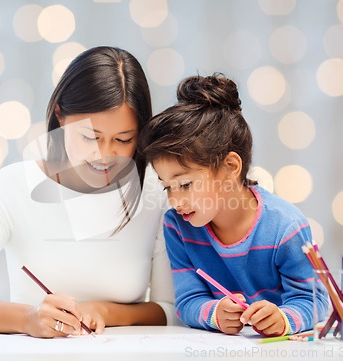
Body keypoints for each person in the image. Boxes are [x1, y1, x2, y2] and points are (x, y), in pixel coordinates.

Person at [0, 46, 178, 338]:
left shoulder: (155, 191)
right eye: (89, 137)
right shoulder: (14, 186)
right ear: (60, 116)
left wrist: (106, 311)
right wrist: (27, 318)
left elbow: (170, 309)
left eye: (123, 140)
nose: (105, 155)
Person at [138, 73, 328, 337]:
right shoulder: (178, 226)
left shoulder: (286, 227)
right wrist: (215, 314)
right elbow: (187, 301)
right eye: (167, 186)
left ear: (230, 167)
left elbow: (315, 302)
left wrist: (283, 319)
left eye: (185, 185)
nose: (174, 200)